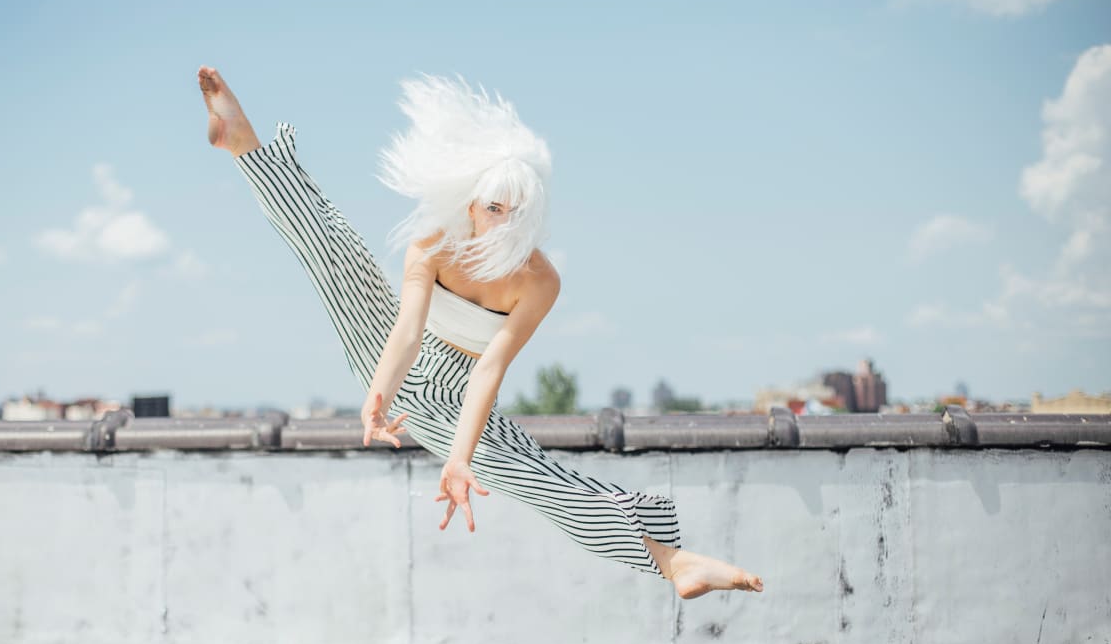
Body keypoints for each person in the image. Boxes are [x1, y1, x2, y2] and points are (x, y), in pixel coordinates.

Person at [198, 66, 763, 600]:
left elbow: (488, 370)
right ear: (471, 202)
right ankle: (243, 141)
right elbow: (408, 331)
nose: (503, 223)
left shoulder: (540, 281)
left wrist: (461, 459)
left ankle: (671, 561)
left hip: (453, 401)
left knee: (538, 478)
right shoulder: (435, 241)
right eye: (494, 208)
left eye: (518, 213)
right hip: (387, 348)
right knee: (334, 252)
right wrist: (378, 395)